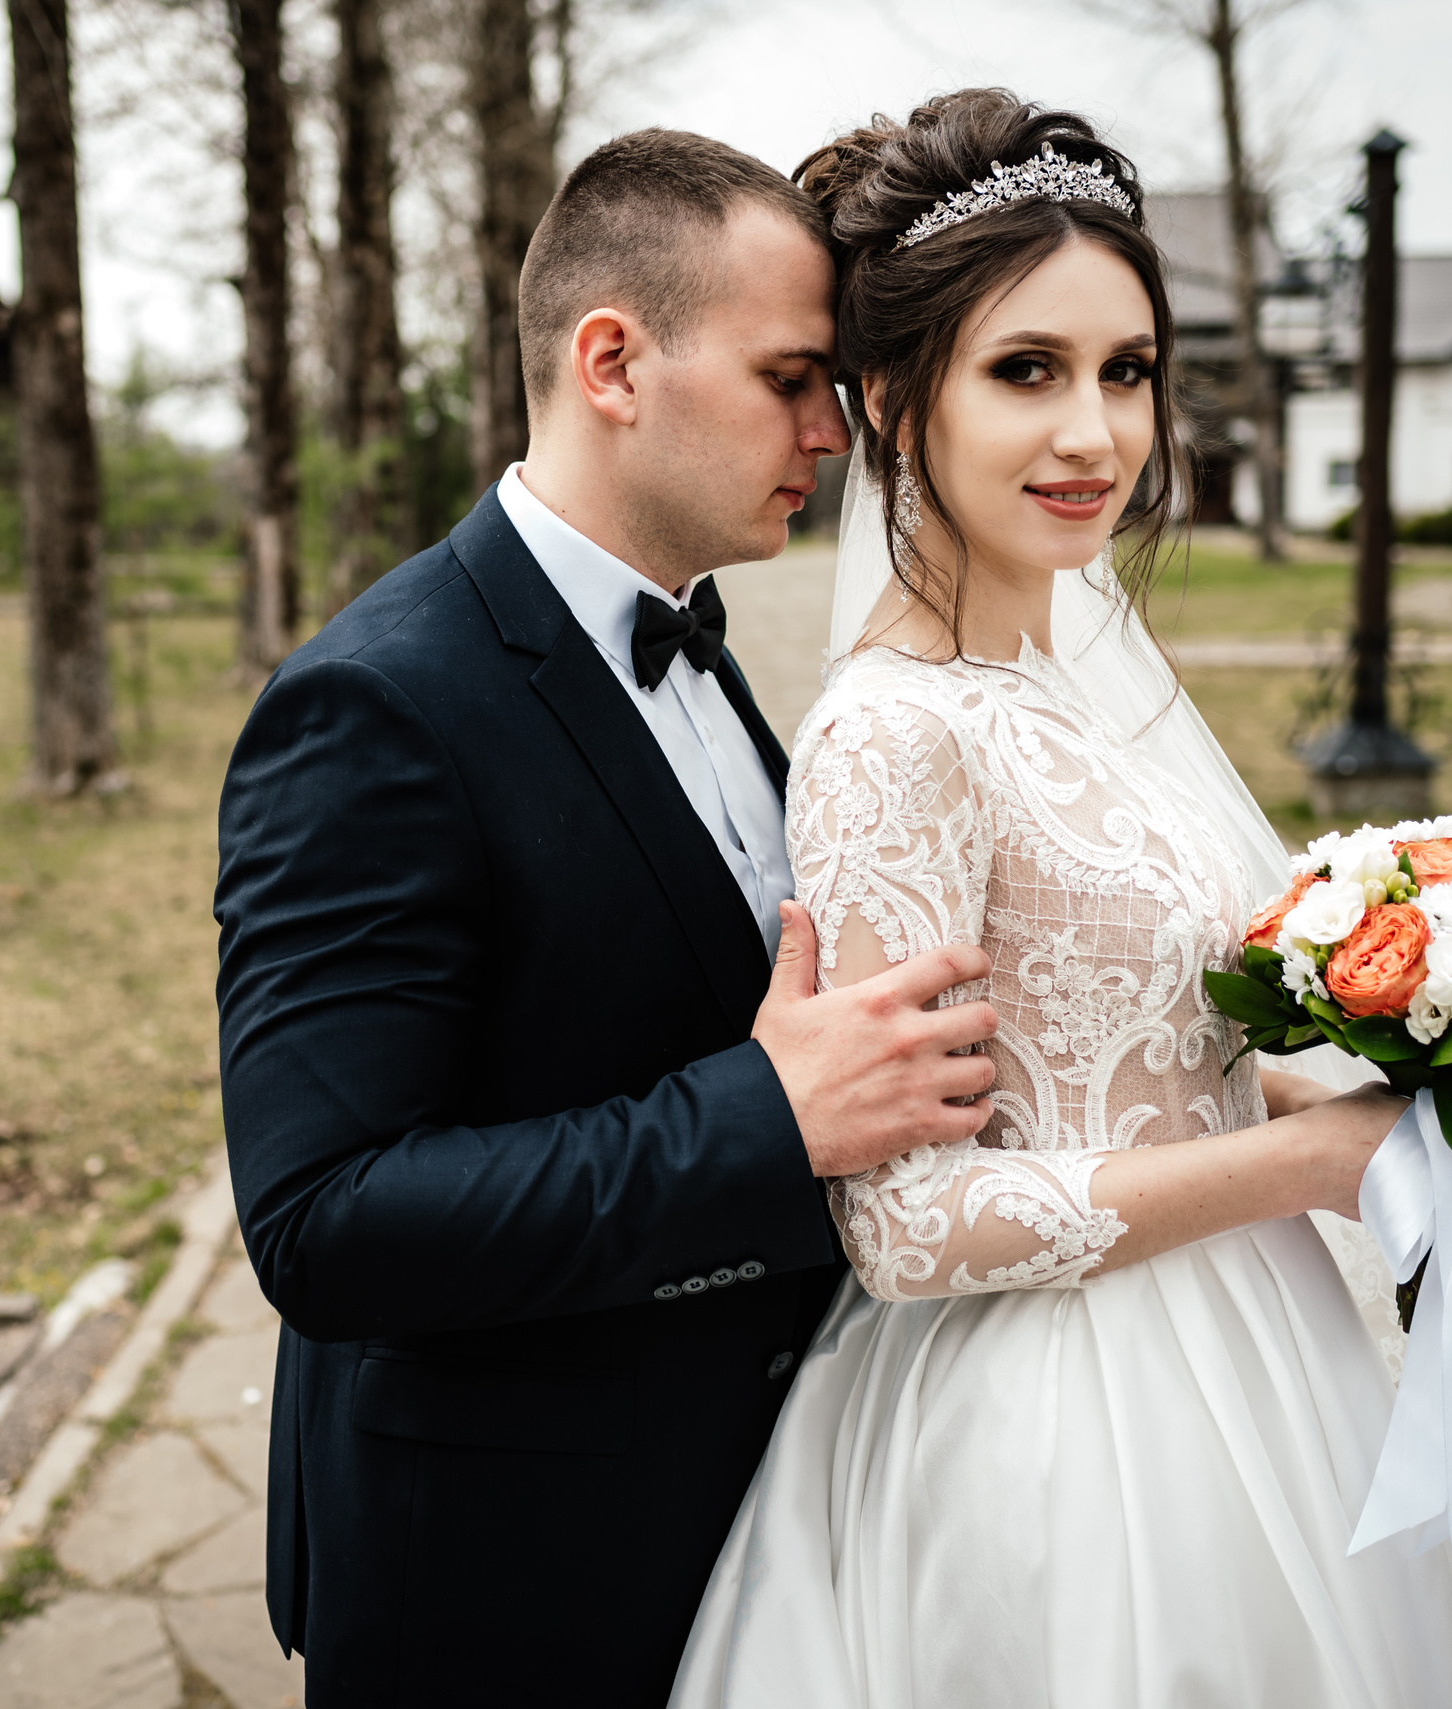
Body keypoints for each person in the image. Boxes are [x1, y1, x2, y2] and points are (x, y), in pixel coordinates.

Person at [668, 91, 1452, 1707]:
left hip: (1257, 1352)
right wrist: (1304, 1158)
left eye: (1127, 371)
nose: (1096, 435)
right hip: (1061, 1425)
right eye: (1027, 370)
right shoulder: (897, 732)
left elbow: (1132, 1026)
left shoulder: (1078, 684)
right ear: (898, 400)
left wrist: (1343, 1070)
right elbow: (903, 1223)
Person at [214, 130, 1009, 1707]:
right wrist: (763, 1116)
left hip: (743, 1535)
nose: (833, 431)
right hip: (503, 1573)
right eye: (793, 376)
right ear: (612, 364)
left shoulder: (701, 647)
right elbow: (325, 1218)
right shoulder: (372, 708)